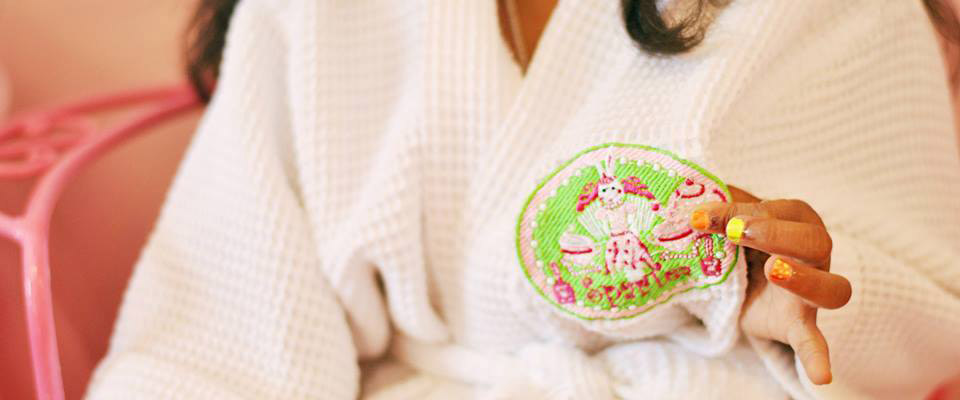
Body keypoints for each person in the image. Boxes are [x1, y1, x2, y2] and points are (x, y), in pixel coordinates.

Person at [86, 0, 960, 399]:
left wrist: (795, 294)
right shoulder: (317, 16)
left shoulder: (837, 11)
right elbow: (216, 345)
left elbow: (922, 313)